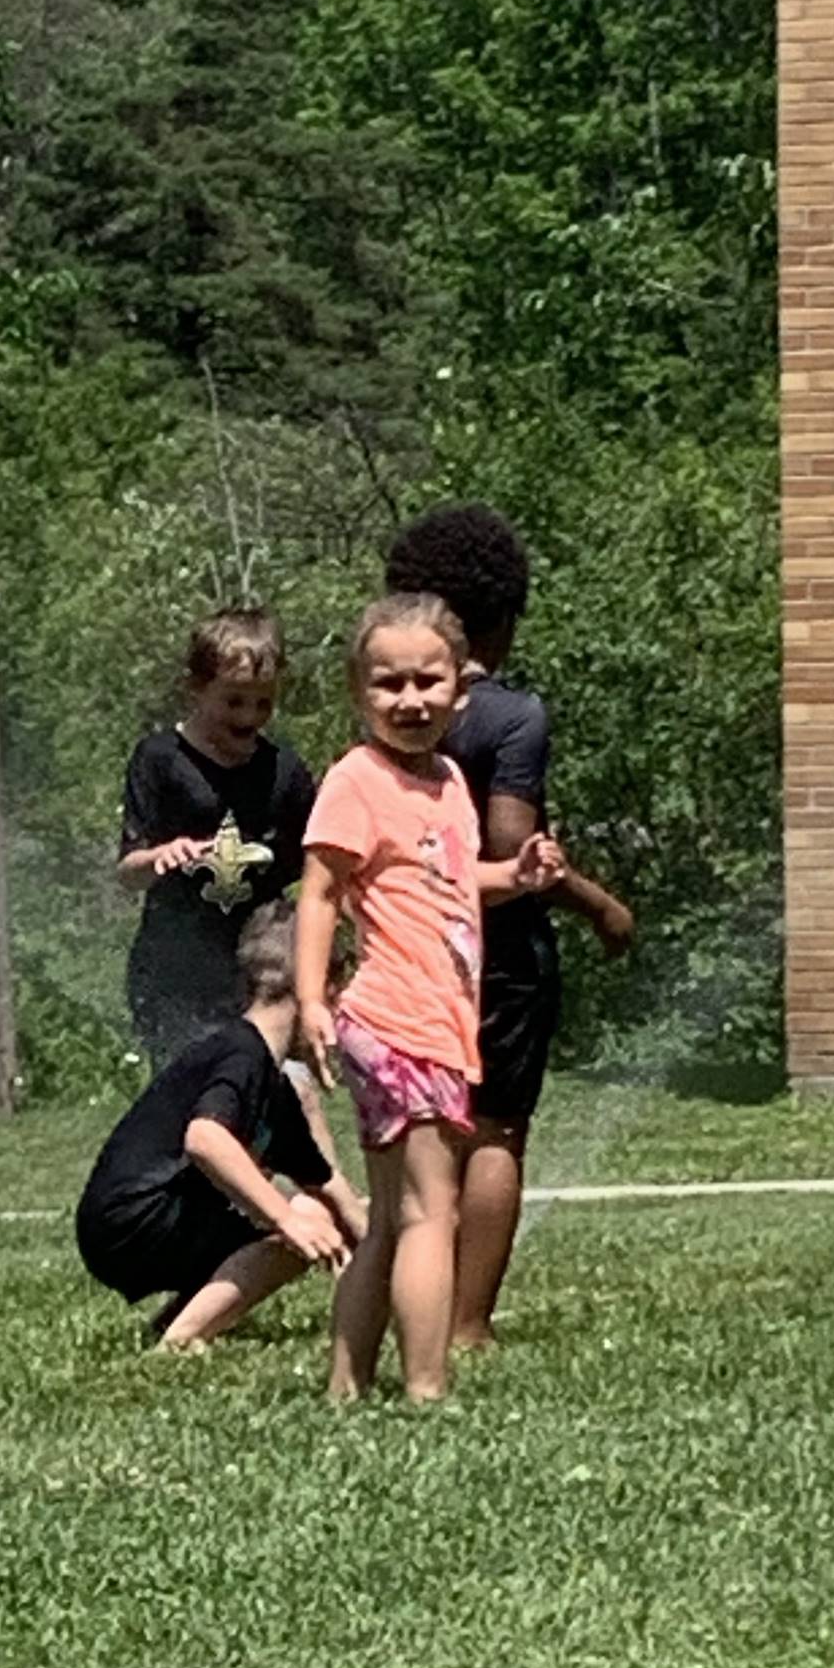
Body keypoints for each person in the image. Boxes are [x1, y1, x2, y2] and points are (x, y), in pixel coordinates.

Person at [297, 593, 563, 1402]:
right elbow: (319, 892)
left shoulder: (448, 779)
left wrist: (515, 878)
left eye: (427, 681)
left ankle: (347, 1385)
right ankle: (427, 1390)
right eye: (388, 684)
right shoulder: (355, 780)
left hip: (441, 1026)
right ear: (357, 692)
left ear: (460, 688)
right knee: (429, 1214)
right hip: (394, 1019)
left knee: (394, 1215)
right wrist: (312, 999)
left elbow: (450, 882)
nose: (410, 699)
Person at [385, 505, 635, 1347]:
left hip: (411, 947)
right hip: (500, 956)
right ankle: (466, 1324)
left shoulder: (391, 710)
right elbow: (509, 845)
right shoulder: (512, 714)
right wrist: (599, 904)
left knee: (429, 1127)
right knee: (496, 1129)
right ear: (501, 616)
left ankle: (412, 1295)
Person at [115, 605, 352, 1186]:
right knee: (191, 1100)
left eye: (263, 702)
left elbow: (324, 869)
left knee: (281, 1091)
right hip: (172, 970)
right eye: (234, 701)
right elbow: (128, 867)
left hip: (259, 973)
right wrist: (158, 858)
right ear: (195, 689)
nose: (249, 717)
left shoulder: (284, 774)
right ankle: (180, 1200)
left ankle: (313, 1196)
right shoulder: (160, 761)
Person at [76, 902, 364, 1349]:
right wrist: (286, 1219)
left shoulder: (275, 1087)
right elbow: (205, 1139)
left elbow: (331, 1188)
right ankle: (182, 1340)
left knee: (316, 1210)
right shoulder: (241, 1053)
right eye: (339, 998)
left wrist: (391, 1256)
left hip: (129, 1223)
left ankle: (173, 1324)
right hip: (132, 1222)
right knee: (305, 1217)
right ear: (315, 989)